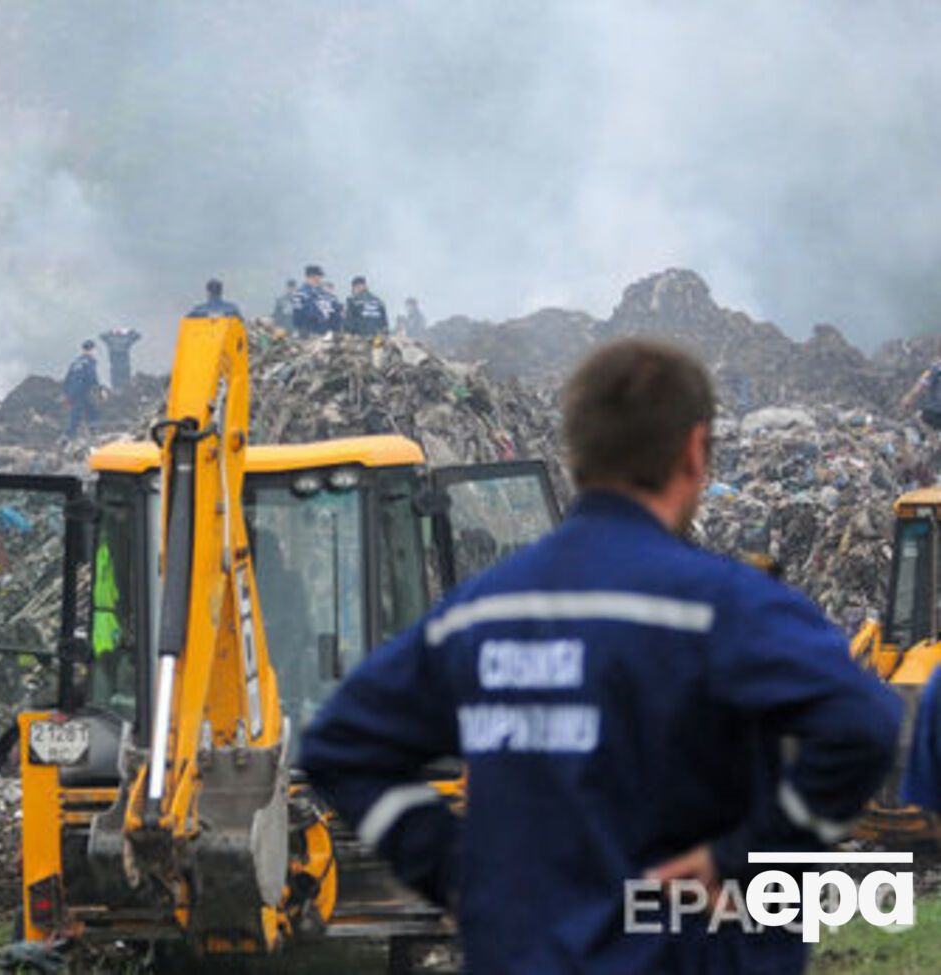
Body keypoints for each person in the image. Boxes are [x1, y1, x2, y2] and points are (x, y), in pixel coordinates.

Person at [299, 338, 901, 974]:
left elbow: (342, 745)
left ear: (576, 454)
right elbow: (866, 722)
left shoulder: (479, 616)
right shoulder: (722, 610)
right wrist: (749, 856)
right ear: (695, 450)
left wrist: (457, 870)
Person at [62, 341, 101, 439]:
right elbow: (92, 376)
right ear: (92, 349)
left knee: (85, 410)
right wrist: (100, 390)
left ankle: (69, 436)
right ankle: (67, 438)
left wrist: (66, 394)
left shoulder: (75, 362)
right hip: (82, 390)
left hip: (72, 392)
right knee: (85, 412)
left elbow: (67, 379)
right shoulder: (90, 361)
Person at [900, 357, 941, 432]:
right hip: (936, 411)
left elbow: (921, 384)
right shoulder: (935, 368)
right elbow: (922, 383)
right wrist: (910, 396)